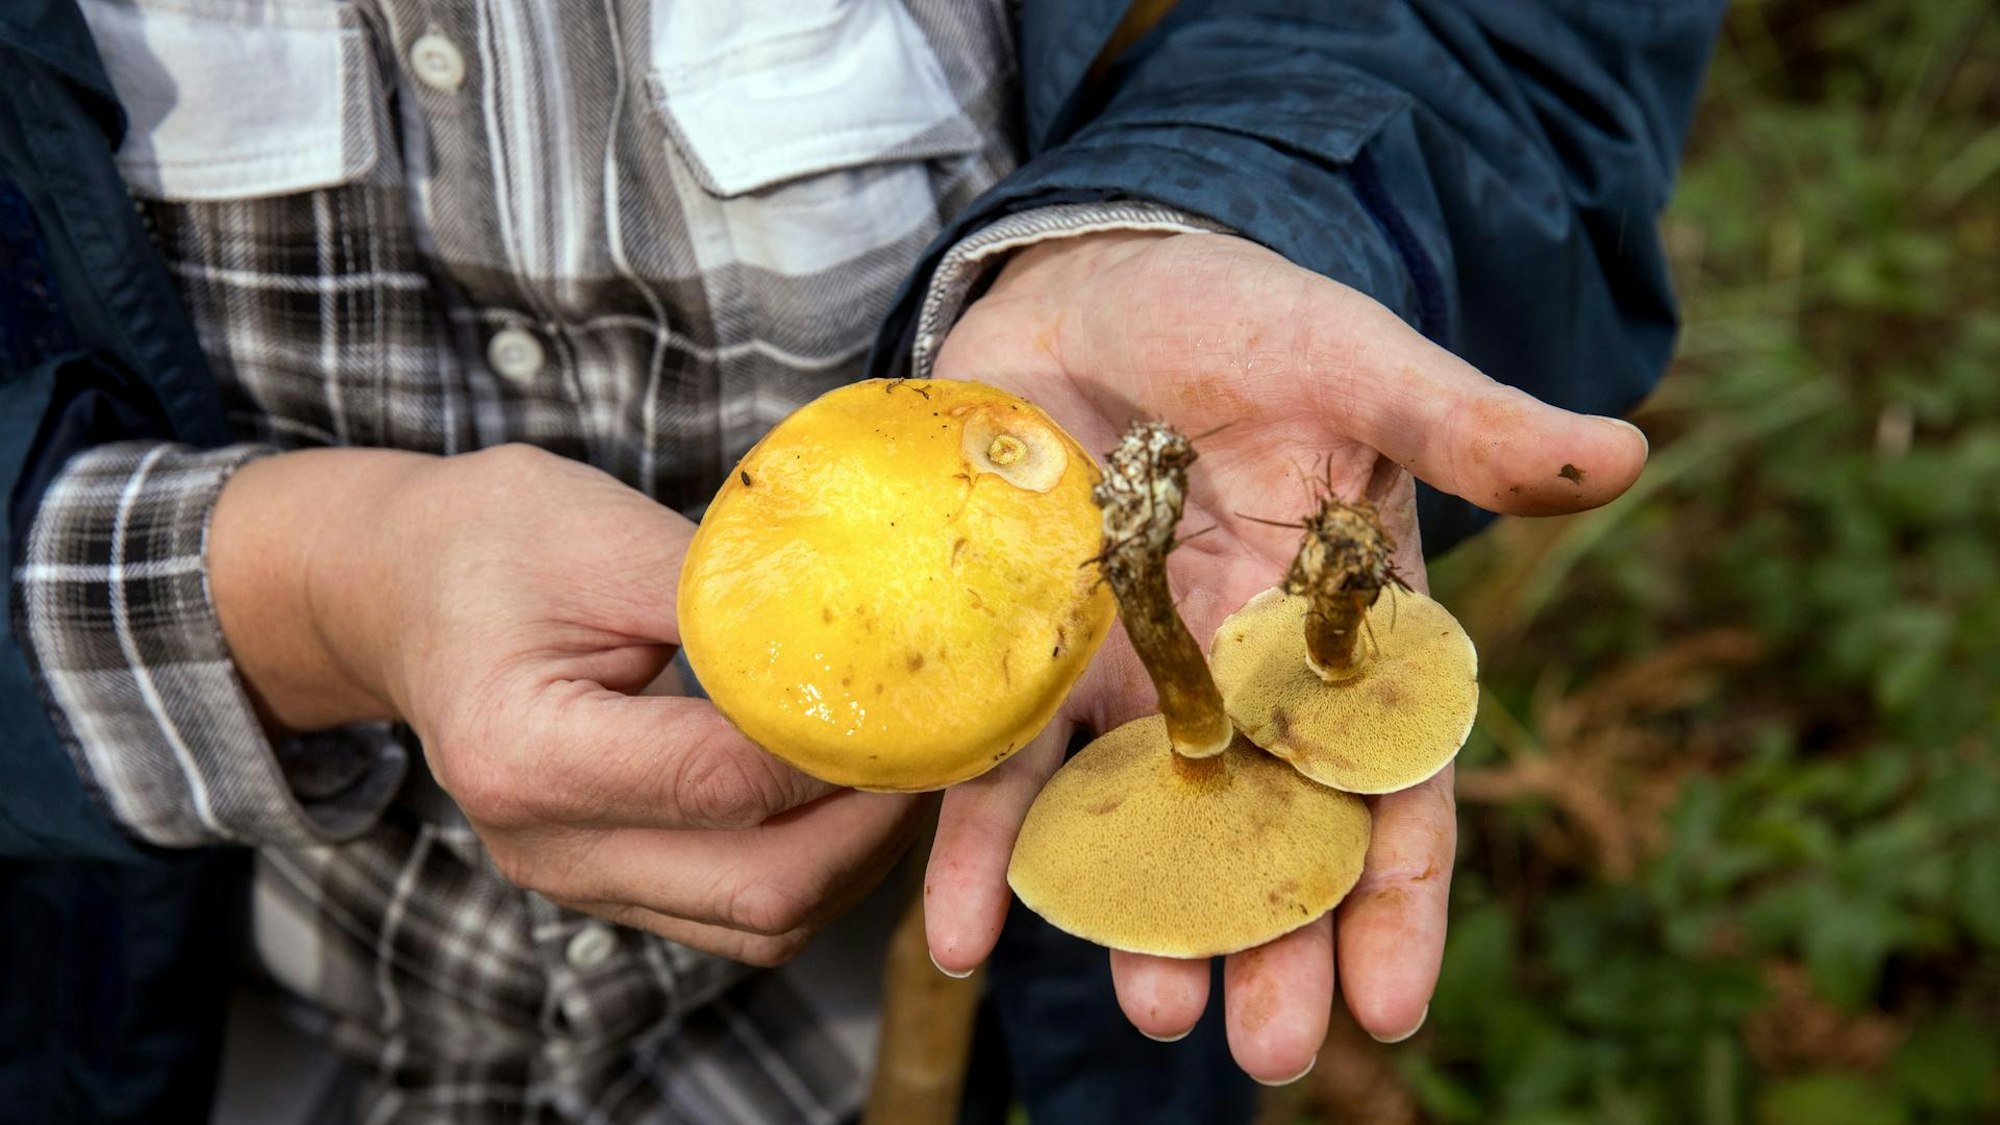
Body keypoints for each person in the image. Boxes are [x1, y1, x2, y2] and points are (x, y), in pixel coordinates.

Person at [0, 0, 1728, 1121]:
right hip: (156, 1022)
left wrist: (1235, 205)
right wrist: (293, 592)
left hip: (949, 1035)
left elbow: (1507, 40)